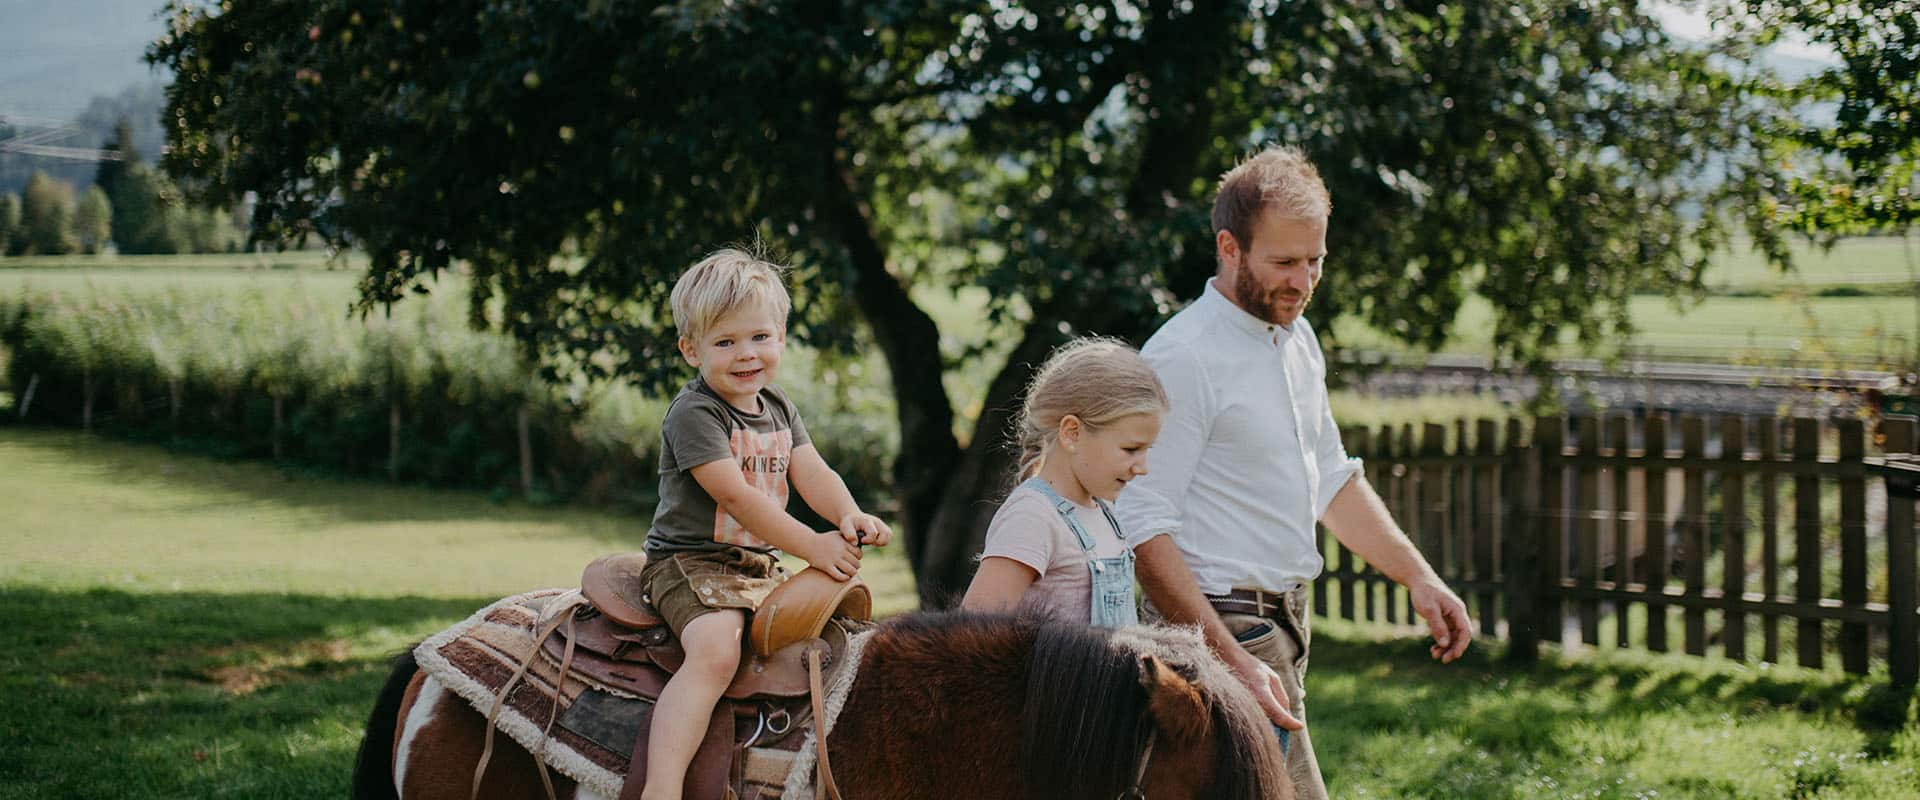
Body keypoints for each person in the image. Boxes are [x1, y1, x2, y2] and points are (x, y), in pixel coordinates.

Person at [1114, 146, 1474, 800]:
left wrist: (1417, 577)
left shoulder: (1298, 340)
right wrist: (1231, 658)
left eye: (1315, 262)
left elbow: (1332, 480)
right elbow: (1141, 527)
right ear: (1230, 246)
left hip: (1283, 625)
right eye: (1283, 263)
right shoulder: (1183, 357)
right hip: (1223, 628)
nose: (1302, 282)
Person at [637, 248, 893, 800]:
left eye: (759, 337)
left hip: (757, 566)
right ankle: (661, 785)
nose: (746, 354)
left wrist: (847, 513)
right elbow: (737, 498)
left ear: (780, 336)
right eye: (725, 342)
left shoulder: (777, 405)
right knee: (716, 652)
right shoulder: (696, 414)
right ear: (690, 350)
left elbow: (813, 471)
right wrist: (813, 545)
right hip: (690, 562)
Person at [960, 338, 1167, 626]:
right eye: (1130, 449)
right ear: (1072, 432)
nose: (1142, 467)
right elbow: (971, 634)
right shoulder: (1033, 517)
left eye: (1147, 450)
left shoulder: (1105, 512)